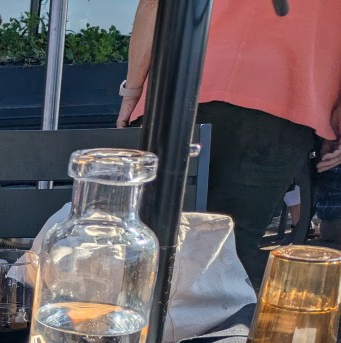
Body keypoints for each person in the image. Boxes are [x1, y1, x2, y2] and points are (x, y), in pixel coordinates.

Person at [115, 0, 341, 287]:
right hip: (282, 93)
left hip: (177, 85)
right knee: (227, 256)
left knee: (144, 244)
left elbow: (153, 5)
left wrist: (133, 90)